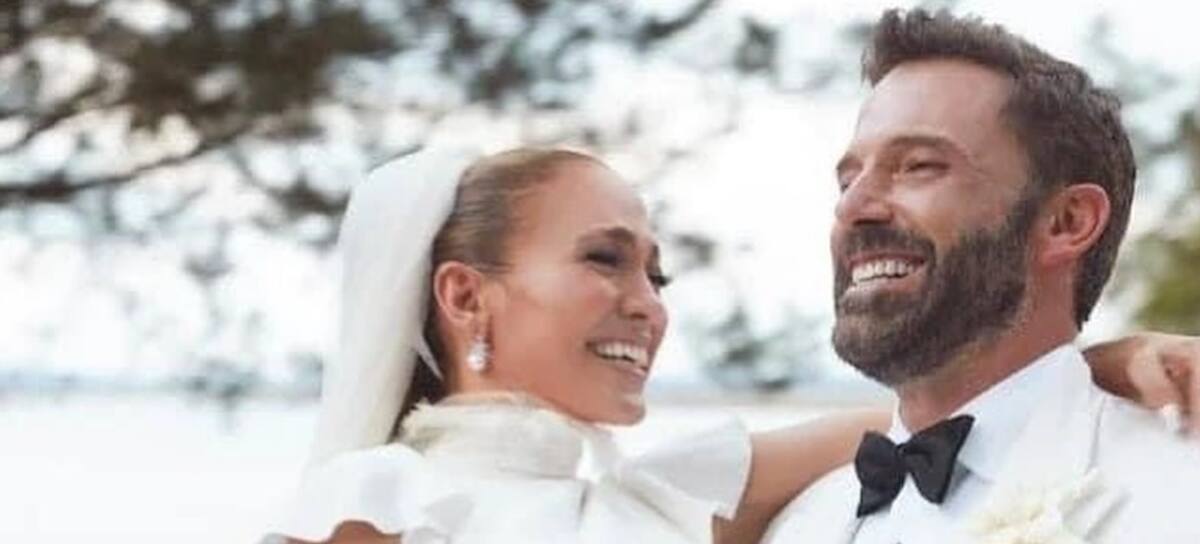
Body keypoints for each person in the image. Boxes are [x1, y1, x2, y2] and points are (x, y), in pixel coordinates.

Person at [263, 145, 1198, 544]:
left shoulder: (660, 503)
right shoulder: (375, 507)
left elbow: (932, 419)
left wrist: (1098, 364)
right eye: (604, 259)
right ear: (466, 295)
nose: (647, 307)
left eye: (656, 275)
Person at [764, 8, 1200, 544]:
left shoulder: (1181, 494)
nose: (851, 207)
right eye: (848, 180)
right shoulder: (797, 525)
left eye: (919, 165)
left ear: (1067, 222)